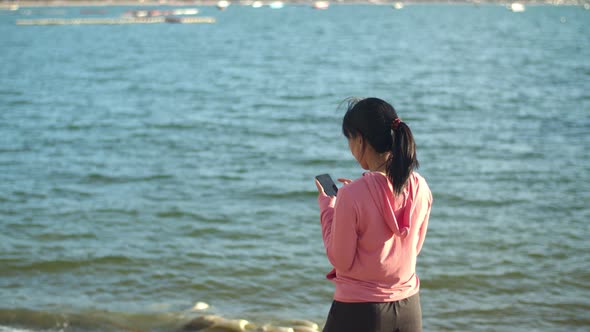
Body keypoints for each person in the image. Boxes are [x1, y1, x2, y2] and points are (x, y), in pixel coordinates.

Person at [314, 97, 433, 332]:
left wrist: (330, 208)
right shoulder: (421, 186)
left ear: (360, 139)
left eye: (349, 139)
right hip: (408, 309)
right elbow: (413, 247)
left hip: (360, 312)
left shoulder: (351, 195)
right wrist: (355, 199)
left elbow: (341, 261)